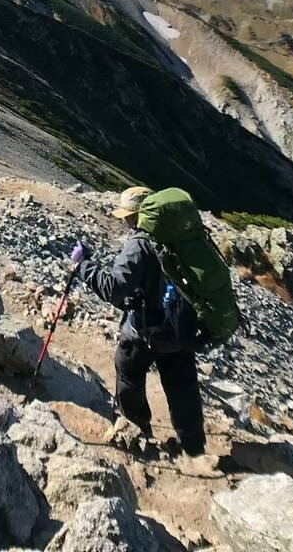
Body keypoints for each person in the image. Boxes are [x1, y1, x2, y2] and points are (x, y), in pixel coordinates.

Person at [72, 186, 206, 456]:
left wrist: (83, 265)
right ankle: (194, 446)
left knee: (128, 371)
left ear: (137, 215)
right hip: (181, 326)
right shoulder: (181, 235)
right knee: (182, 386)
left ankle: (137, 428)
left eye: (128, 216)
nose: (125, 221)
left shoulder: (140, 243)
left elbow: (115, 288)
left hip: (144, 329)